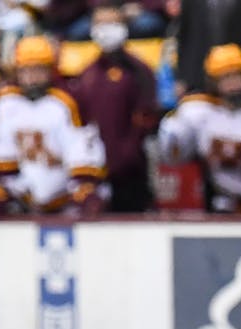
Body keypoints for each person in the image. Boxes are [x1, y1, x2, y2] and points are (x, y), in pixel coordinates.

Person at [0, 36, 108, 214]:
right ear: (17, 72)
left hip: (65, 200)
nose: (32, 78)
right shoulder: (7, 103)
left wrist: (83, 189)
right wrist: (6, 190)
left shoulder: (65, 103)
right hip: (23, 202)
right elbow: (3, 159)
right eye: (26, 71)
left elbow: (82, 151)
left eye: (38, 70)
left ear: (50, 70)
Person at [158, 44, 241, 213]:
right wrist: (175, 129)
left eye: (237, 76)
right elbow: (174, 156)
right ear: (213, 82)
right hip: (217, 201)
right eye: (225, 78)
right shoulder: (198, 110)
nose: (233, 85)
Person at [69, 1, 157, 212]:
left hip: (131, 173)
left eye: (112, 23)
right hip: (96, 173)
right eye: (100, 24)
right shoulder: (88, 73)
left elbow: (147, 115)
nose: (106, 30)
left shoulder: (139, 70)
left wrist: (128, 153)